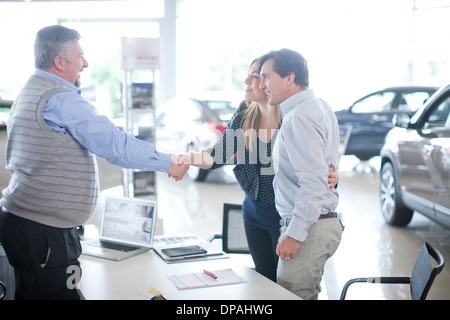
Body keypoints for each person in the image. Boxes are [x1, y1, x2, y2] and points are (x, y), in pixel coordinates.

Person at [0, 25, 187, 300]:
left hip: (26, 223)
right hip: (44, 232)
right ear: (60, 62)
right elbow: (114, 144)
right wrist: (168, 162)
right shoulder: (59, 99)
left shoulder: (30, 90)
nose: (85, 64)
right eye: (80, 57)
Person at [176, 58, 338, 282]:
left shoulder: (293, 117)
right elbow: (217, 156)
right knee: (264, 281)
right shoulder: (244, 114)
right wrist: (182, 159)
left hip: (287, 216)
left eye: (257, 76)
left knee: (288, 287)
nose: (248, 82)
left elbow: (316, 167)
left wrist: (332, 176)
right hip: (253, 212)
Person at [258, 48, 343, 300]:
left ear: (289, 78)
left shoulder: (300, 117)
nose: (262, 85)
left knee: (292, 296)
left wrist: (294, 235)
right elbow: (324, 169)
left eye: (266, 77)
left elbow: (313, 182)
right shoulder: (318, 106)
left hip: (309, 228)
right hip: (319, 222)